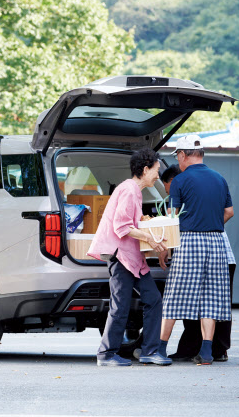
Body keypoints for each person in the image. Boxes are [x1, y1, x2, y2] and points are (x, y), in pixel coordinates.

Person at [87, 148, 172, 367]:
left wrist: (143, 220)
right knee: (120, 306)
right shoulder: (129, 189)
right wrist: (150, 238)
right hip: (121, 256)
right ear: (145, 170)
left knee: (153, 300)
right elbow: (122, 226)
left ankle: (149, 351)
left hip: (131, 257)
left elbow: (130, 221)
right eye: (156, 170)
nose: (158, 175)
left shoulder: (133, 190)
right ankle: (106, 354)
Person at [159, 135, 234, 365]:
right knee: (211, 297)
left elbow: (172, 219)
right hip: (216, 242)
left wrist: (165, 250)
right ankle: (207, 352)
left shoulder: (180, 181)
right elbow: (229, 211)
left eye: (178, 157)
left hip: (189, 241)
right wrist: (210, 222)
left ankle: (160, 349)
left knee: (174, 296)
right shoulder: (220, 179)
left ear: (182, 155)